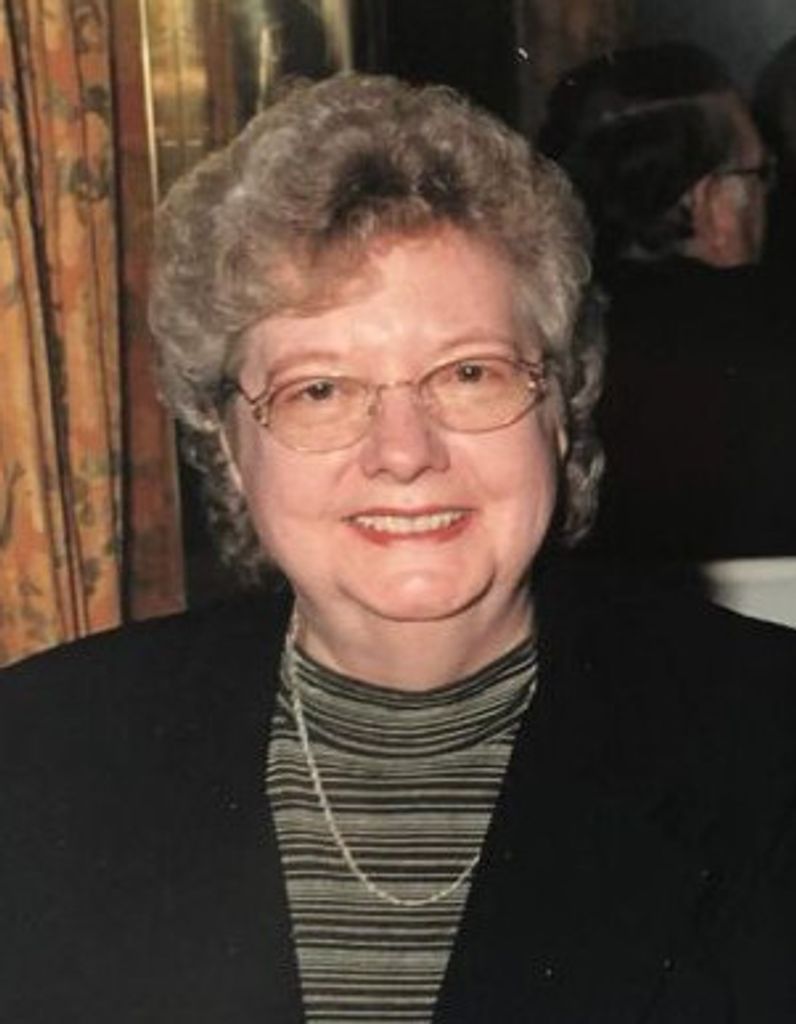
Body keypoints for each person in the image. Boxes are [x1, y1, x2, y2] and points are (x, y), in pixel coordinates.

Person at [2, 72, 796, 1023]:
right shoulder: (39, 757)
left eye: (469, 374)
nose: (405, 453)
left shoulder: (768, 744)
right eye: (320, 390)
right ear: (228, 446)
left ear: (561, 408)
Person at [540, 43, 796, 561]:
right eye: (758, 175)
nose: (767, 196)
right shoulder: (773, 334)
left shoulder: (541, 337)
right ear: (709, 202)